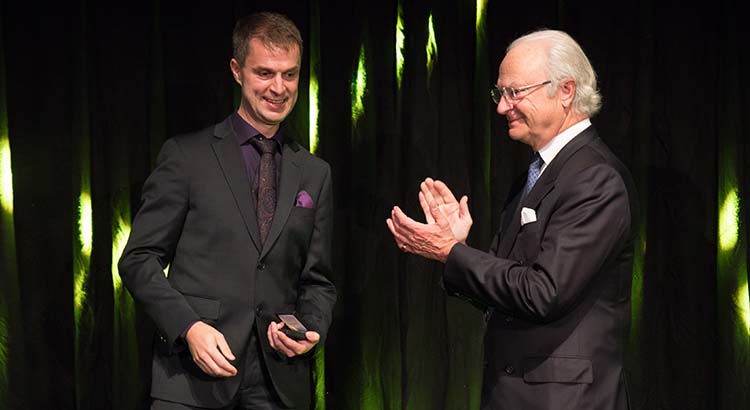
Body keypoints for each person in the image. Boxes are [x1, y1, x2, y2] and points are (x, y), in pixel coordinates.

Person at [387, 29, 637, 410]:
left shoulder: (594, 179)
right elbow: (508, 292)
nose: (503, 107)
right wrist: (458, 249)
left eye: (515, 93)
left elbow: (542, 293)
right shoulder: (537, 174)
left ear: (566, 91)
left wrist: (452, 253)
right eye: (499, 94)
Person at [119, 12, 336, 410]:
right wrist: (187, 327)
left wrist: (308, 329)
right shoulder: (186, 156)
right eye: (265, 73)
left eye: (289, 75)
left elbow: (318, 282)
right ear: (237, 71)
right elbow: (138, 259)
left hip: (278, 385)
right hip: (192, 379)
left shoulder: (315, 173)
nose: (278, 87)